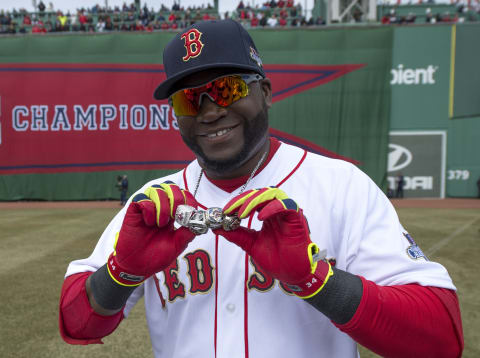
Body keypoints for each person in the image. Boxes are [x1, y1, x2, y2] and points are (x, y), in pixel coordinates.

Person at [59, 19, 463, 357]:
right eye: (188, 99)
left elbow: (441, 335)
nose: (210, 110)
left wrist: (315, 281)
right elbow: (76, 323)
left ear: (265, 92)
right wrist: (121, 273)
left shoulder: (340, 186)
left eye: (227, 88)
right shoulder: (154, 205)